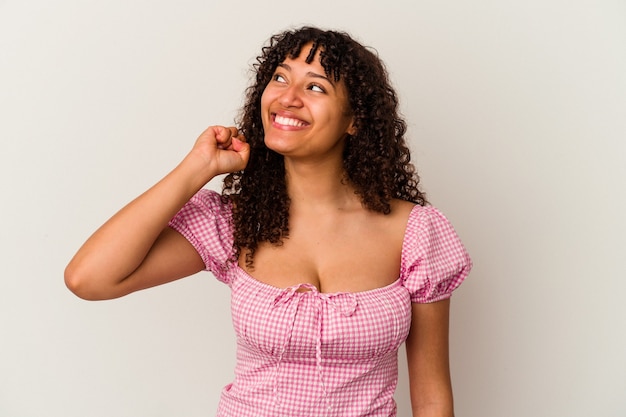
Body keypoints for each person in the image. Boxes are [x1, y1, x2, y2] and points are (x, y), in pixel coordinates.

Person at [65, 26, 472, 417]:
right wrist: (197, 168)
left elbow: (433, 401)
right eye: (280, 78)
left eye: (316, 86)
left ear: (355, 120)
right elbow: (90, 279)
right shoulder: (236, 222)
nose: (288, 97)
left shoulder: (416, 232)